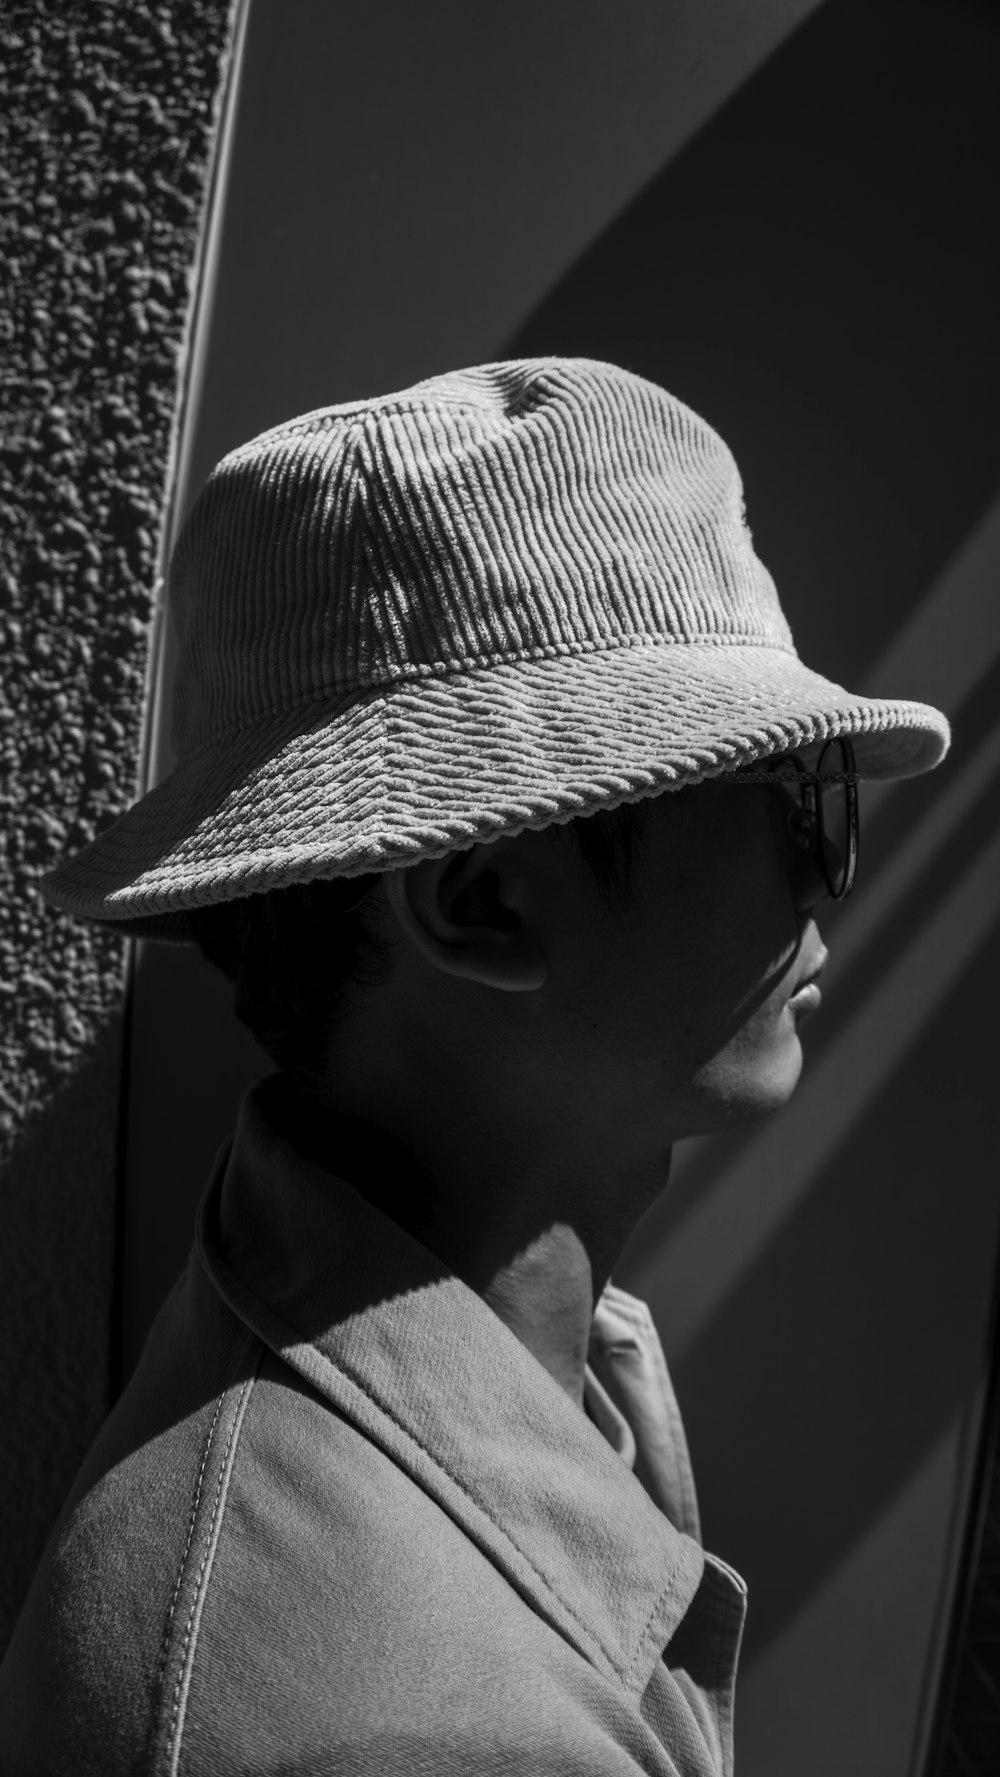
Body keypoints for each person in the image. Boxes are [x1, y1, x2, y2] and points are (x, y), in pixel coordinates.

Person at [0, 359, 948, 1774]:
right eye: (790, 800)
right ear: (483, 900)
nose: (829, 879)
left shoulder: (518, 1360)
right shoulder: (395, 1722)